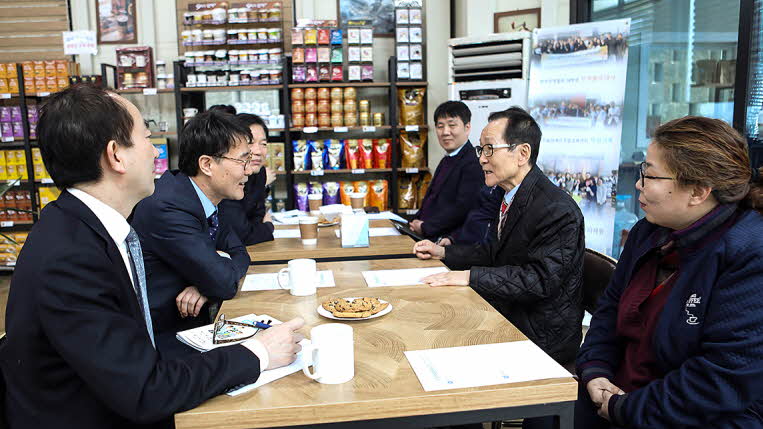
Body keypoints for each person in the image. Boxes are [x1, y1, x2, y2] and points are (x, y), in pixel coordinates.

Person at [0, 84, 304, 428]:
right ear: (117, 156)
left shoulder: (85, 227)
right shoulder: (70, 258)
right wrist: (260, 352)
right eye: (146, 138)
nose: (156, 152)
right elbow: (145, 390)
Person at [576, 116, 763, 428]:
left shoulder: (749, 253)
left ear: (698, 191)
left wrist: (625, 408)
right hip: (621, 395)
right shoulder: (647, 232)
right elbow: (609, 311)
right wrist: (595, 370)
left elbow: (722, 378)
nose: (638, 184)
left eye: (649, 175)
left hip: (694, 414)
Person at [412, 107, 585, 367]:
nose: (481, 159)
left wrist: (470, 276)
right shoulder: (508, 195)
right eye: (480, 150)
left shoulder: (557, 210)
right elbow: (493, 252)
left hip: (539, 335)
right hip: (509, 311)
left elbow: (538, 280)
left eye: (489, 149)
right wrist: (445, 253)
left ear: (522, 153)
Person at [131, 109, 257, 357]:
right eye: (242, 160)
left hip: (194, 330)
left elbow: (240, 253)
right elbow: (223, 283)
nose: (249, 171)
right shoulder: (168, 207)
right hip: (162, 346)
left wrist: (205, 283)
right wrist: (212, 279)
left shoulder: (203, 198)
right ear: (207, 164)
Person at [409, 101, 483, 241]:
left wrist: (425, 227)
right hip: (426, 234)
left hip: (447, 241)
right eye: (440, 126)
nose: (445, 132)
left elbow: (463, 208)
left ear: (467, 128)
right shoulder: (447, 159)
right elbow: (432, 199)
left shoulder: (473, 162)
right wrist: (415, 221)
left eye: (452, 125)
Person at [219, 113, 276, 245]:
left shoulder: (259, 173)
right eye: (250, 142)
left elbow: (257, 218)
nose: (258, 151)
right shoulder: (226, 176)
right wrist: (268, 227)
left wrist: (258, 228)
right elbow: (241, 234)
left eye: (263, 144)